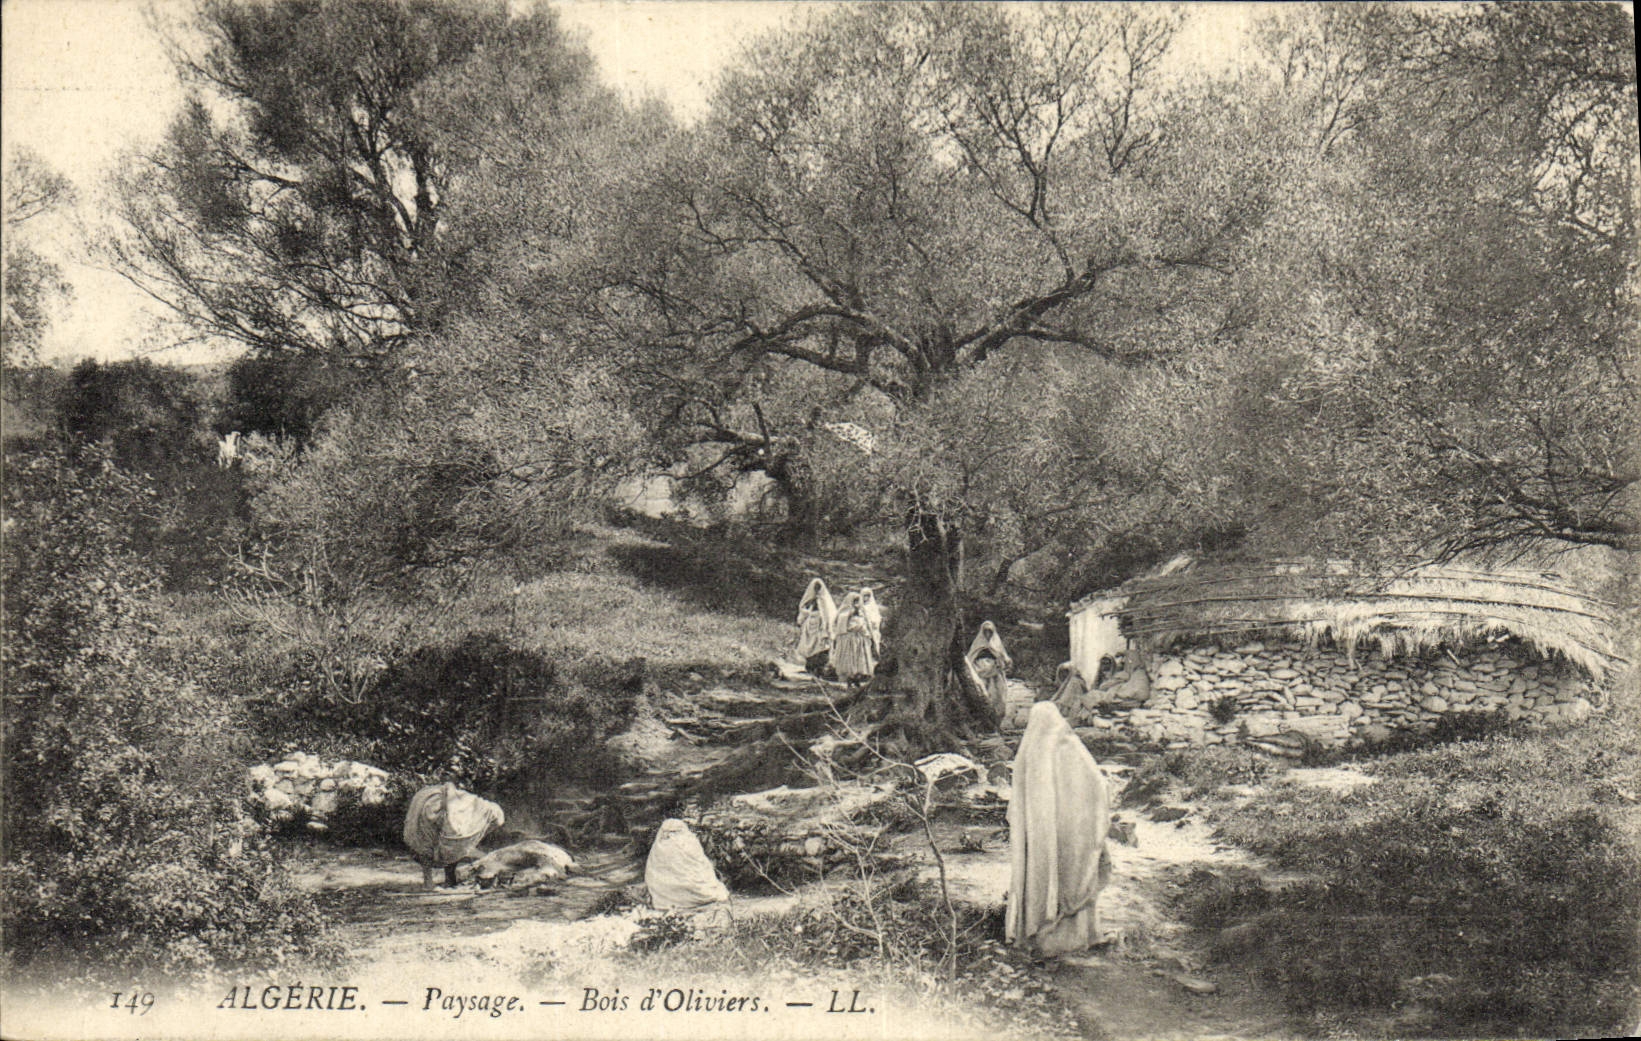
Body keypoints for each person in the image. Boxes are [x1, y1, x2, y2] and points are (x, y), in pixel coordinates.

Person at [1007, 701, 1113, 958]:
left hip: (1039, 837)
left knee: (1042, 874)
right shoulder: (1066, 743)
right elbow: (1097, 782)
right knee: (1073, 873)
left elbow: (1015, 807)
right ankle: (1073, 937)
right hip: (1070, 830)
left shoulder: (1029, 750)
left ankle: (1040, 933)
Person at [403, 782, 505, 888]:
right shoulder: (472, 810)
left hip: (444, 813)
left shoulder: (475, 809)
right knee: (428, 847)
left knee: (454, 846)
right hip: (432, 812)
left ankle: (449, 879)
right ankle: (429, 881)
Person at [645, 819, 730, 910]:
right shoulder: (689, 841)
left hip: (668, 889)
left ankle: (676, 898)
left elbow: (652, 872)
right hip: (686, 884)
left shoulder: (660, 845)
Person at [965, 620, 1014, 723]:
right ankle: (983, 719)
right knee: (983, 694)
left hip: (994, 673)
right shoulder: (978, 643)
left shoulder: (996, 643)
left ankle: (996, 719)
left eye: (990, 631)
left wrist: (1004, 662)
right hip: (980, 672)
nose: (988, 634)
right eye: (986, 631)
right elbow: (970, 657)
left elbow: (1003, 656)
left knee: (997, 695)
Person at [828, 591, 877, 690]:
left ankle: (857, 679)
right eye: (855, 601)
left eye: (858, 601)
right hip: (849, 639)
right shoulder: (845, 612)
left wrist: (868, 636)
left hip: (860, 638)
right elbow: (841, 625)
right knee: (850, 660)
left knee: (859, 659)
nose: (857, 604)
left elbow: (866, 624)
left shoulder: (862, 612)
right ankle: (850, 680)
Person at [794, 578, 837, 672]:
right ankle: (810, 665)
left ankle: (819, 667)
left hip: (821, 626)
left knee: (820, 645)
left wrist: (828, 626)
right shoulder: (809, 599)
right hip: (810, 625)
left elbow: (830, 613)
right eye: (815, 588)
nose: (817, 590)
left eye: (819, 587)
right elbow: (803, 609)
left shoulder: (824, 600)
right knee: (809, 644)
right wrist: (803, 617)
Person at [858, 587, 884, 654]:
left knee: (875, 639)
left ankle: (876, 653)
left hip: (872, 625)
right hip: (864, 626)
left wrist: (875, 621)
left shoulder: (873, 605)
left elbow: (876, 615)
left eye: (868, 595)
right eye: (864, 596)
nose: (866, 598)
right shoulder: (860, 606)